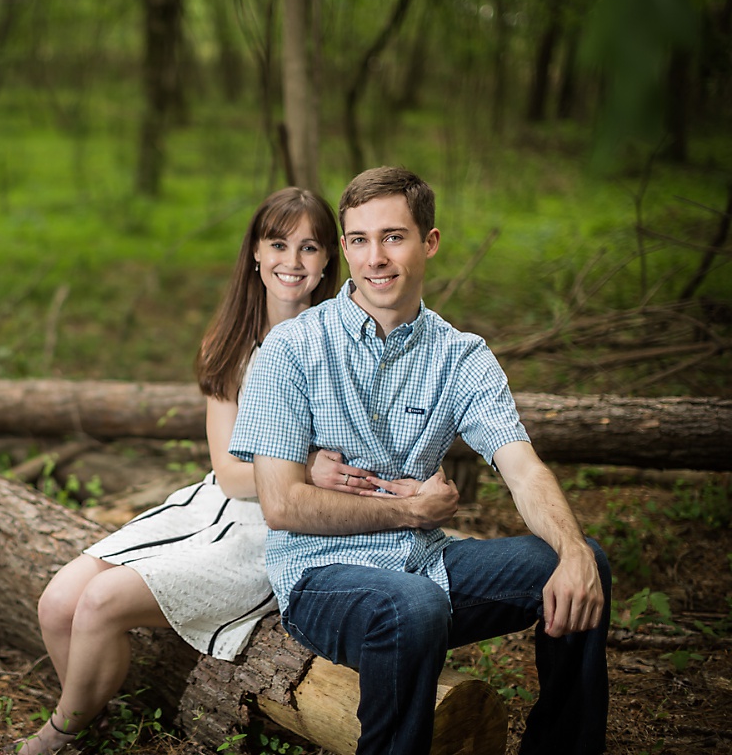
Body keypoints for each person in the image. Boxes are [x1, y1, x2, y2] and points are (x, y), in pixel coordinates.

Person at [229, 166, 611, 755]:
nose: (375, 258)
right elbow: (282, 504)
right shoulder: (293, 349)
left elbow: (524, 470)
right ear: (345, 249)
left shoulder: (461, 356)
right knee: (413, 605)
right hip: (321, 576)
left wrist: (574, 549)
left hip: (426, 564)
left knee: (583, 562)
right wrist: (409, 511)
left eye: (393, 237)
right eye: (360, 240)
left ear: (429, 242)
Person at [10, 187, 360, 754]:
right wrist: (302, 467)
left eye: (309, 247)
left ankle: (60, 734)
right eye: (278, 244)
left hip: (279, 529)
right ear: (254, 251)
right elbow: (228, 473)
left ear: (327, 261)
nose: (292, 261)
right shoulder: (230, 342)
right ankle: (93, 724)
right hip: (215, 503)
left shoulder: (341, 343)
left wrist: (311, 480)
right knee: (57, 603)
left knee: (100, 603)